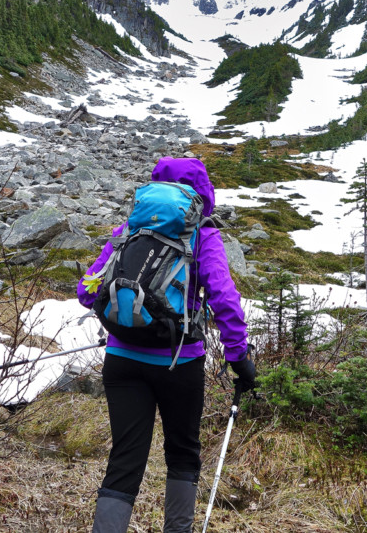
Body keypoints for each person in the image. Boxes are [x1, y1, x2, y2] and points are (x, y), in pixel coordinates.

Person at [76, 156, 256, 533]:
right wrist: (239, 357)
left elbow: (86, 290)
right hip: (180, 363)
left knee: (125, 458)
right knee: (182, 454)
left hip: (121, 359)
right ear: (202, 192)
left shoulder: (128, 229)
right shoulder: (203, 236)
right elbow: (224, 298)